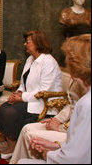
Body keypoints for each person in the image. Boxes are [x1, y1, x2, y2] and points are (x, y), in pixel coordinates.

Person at [18, 34, 91, 164]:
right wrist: (56, 145)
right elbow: (82, 147)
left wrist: (48, 154)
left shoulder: (87, 104)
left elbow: (75, 158)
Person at [0, 30, 63, 160]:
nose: (25, 44)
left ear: (38, 43)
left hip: (44, 104)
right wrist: (19, 92)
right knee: (5, 107)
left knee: (10, 112)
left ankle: (15, 148)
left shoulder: (48, 62)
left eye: (28, 42)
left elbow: (44, 91)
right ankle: (12, 148)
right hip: (29, 100)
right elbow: (23, 82)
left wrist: (21, 98)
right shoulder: (30, 59)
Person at [10, 78, 86, 163]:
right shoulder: (78, 79)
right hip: (66, 125)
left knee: (32, 136)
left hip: (69, 131)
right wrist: (56, 119)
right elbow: (71, 106)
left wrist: (59, 127)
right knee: (26, 128)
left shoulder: (87, 101)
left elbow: (82, 130)